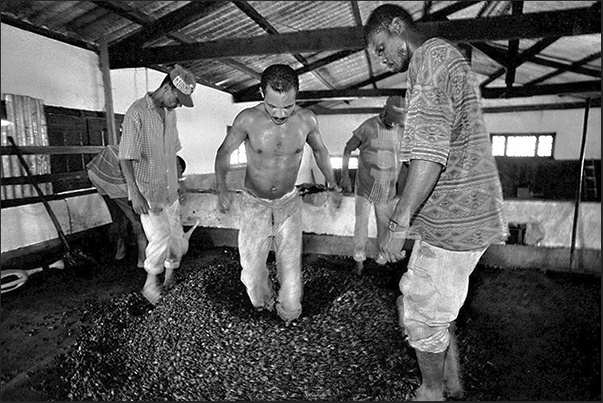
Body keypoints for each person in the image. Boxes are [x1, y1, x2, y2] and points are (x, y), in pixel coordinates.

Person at [364, 4, 509, 401]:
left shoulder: (428, 60)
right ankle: (453, 381)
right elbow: (423, 155)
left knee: (422, 312)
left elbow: (429, 155)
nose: (382, 60)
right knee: (425, 299)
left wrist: (396, 226)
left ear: (397, 27)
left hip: (455, 221)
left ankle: (431, 392)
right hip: (461, 213)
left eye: (381, 47)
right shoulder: (443, 59)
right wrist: (398, 204)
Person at [214, 64, 342, 325]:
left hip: (288, 204)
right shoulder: (247, 119)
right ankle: (265, 304)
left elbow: (320, 151)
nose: (281, 113)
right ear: (262, 93)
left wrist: (332, 181)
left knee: (291, 272)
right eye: (273, 106)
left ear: (297, 95)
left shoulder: (307, 120)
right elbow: (223, 152)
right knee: (251, 273)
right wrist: (222, 187)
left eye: (288, 106)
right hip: (254, 204)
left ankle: (289, 315)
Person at [119, 64, 199, 306]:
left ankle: (169, 277)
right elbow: (125, 156)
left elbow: (173, 151)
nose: (179, 104)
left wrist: (178, 181)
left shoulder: (171, 113)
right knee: (161, 235)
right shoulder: (137, 113)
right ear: (166, 87)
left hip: (170, 189)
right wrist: (135, 193)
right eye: (177, 98)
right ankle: (150, 283)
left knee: (176, 239)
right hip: (149, 190)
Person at [340, 95, 406, 276]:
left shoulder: (401, 129)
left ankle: (381, 262)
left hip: (388, 190)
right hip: (364, 188)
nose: (394, 125)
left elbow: (406, 159)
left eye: (397, 122)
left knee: (385, 227)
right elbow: (348, 148)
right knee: (361, 226)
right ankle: (359, 260)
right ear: (385, 112)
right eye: (392, 121)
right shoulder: (368, 127)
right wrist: (345, 176)